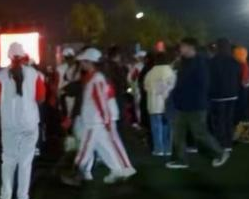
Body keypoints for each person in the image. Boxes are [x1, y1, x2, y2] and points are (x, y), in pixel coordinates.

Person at [0, 43, 45, 199]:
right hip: (29, 123)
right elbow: (41, 98)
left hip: (9, 124)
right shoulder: (34, 74)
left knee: (8, 160)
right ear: (23, 56)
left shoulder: (1, 75)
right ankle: (23, 198)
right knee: (26, 161)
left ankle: (5, 197)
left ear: (9, 56)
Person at [71, 48, 137, 183]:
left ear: (90, 62)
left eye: (83, 61)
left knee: (90, 146)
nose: (81, 64)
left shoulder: (96, 78)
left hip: (95, 119)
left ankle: (76, 171)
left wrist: (106, 119)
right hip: (98, 118)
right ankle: (118, 169)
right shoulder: (97, 77)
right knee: (104, 146)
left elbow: (101, 101)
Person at [167, 38, 230, 170]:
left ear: (190, 47)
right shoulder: (184, 62)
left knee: (200, 133)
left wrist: (186, 94)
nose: (180, 49)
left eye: (183, 46)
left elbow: (203, 85)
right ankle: (180, 159)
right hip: (182, 104)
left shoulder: (200, 62)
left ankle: (220, 153)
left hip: (196, 104)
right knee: (178, 132)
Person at [208, 38, 242, 151]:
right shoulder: (234, 61)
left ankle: (221, 142)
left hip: (217, 95)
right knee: (229, 119)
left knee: (219, 120)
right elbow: (238, 76)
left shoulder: (213, 62)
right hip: (232, 94)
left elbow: (209, 79)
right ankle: (228, 142)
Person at [143, 51, 176, 156]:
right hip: (167, 103)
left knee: (156, 126)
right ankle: (168, 148)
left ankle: (159, 149)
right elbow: (174, 86)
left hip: (154, 103)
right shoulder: (171, 72)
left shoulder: (150, 73)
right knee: (167, 126)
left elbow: (146, 87)